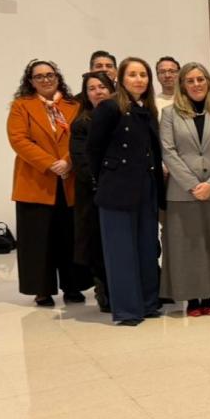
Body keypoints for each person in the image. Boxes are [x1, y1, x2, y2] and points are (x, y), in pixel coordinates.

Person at [159, 63, 210, 317]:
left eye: (201, 79)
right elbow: (168, 151)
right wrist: (193, 185)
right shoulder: (171, 114)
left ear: (208, 82)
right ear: (182, 85)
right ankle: (192, 298)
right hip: (183, 193)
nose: (196, 84)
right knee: (187, 247)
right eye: (190, 80)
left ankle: (208, 296)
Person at [87, 57, 165, 326]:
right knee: (121, 251)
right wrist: (106, 179)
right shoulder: (109, 108)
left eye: (143, 74)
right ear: (120, 79)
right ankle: (128, 310)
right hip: (117, 188)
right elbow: (93, 151)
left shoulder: (148, 109)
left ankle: (148, 302)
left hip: (146, 186)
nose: (139, 79)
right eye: (132, 74)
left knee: (146, 247)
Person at [8, 59, 86, 307]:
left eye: (49, 74)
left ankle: (73, 286)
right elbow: (19, 140)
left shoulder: (74, 106)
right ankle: (41, 289)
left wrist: (67, 162)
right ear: (30, 81)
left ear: (57, 76)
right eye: (38, 76)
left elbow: (82, 137)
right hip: (36, 181)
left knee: (71, 236)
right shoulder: (21, 106)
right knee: (38, 240)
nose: (45, 79)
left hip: (69, 180)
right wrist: (50, 163)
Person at [71, 71, 116, 313]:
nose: (98, 91)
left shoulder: (121, 116)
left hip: (121, 193)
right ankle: (104, 291)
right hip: (95, 195)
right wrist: (105, 186)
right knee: (99, 246)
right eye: (92, 88)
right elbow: (82, 162)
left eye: (102, 86)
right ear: (86, 95)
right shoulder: (81, 123)